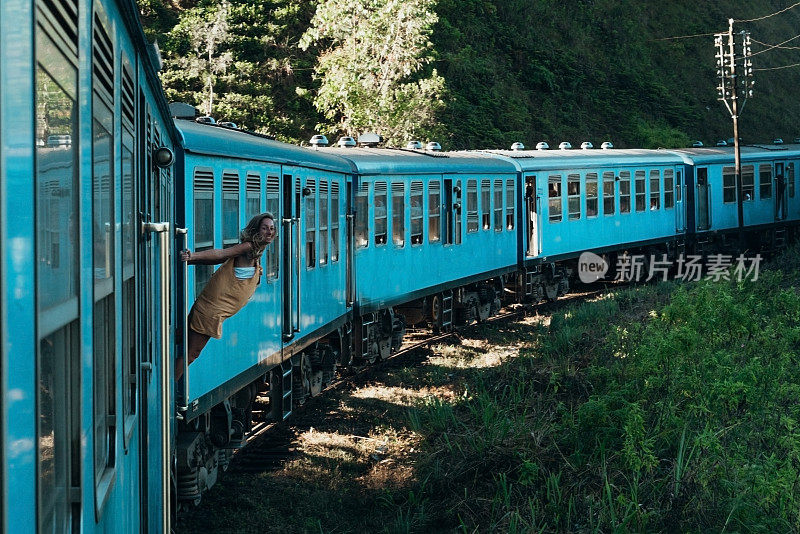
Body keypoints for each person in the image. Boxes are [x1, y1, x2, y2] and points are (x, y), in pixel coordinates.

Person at [176, 212, 276, 379]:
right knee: (191, 354)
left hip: (212, 311)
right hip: (210, 313)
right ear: (255, 231)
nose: (269, 232)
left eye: (272, 229)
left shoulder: (257, 251)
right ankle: (168, 389)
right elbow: (220, 255)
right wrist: (192, 256)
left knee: (180, 340)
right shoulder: (248, 247)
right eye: (264, 228)